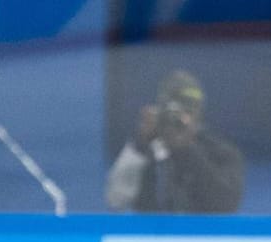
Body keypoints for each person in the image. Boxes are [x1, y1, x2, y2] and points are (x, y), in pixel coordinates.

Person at [105, 69, 246, 214]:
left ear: (199, 116)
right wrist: (140, 145)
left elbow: (227, 205)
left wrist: (188, 150)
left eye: (189, 113)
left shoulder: (221, 153)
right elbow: (116, 199)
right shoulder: (144, 149)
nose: (179, 120)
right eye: (173, 113)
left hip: (201, 235)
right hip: (151, 234)